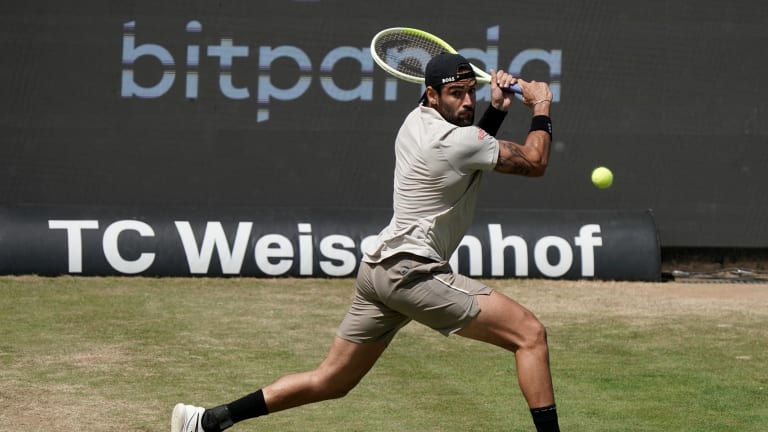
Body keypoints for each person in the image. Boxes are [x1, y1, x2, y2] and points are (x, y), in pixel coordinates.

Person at [171, 52, 559, 432]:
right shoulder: (455, 141)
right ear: (431, 95)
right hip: (413, 272)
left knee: (331, 381)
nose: (467, 101)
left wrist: (496, 110)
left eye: (469, 92)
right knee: (529, 335)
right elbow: (535, 162)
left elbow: (469, 149)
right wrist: (540, 105)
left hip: (378, 272)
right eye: (456, 93)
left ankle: (206, 421)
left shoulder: (415, 121)